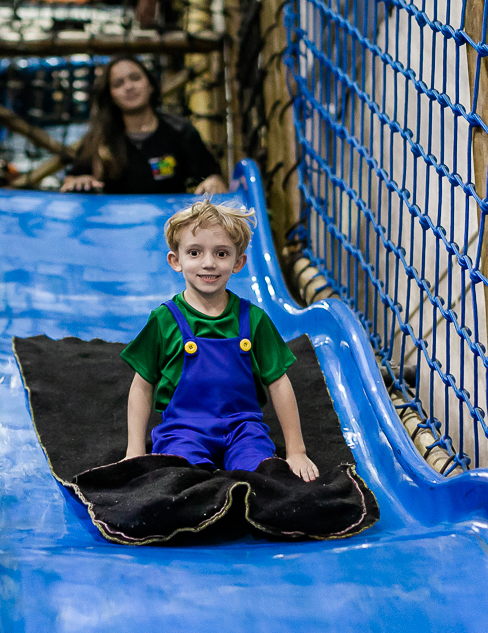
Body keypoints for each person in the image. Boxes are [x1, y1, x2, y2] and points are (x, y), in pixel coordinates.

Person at [121, 201, 320, 480]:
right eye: (194, 252)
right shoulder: (164, 320)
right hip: (184, 429)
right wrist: (134, 450)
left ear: (238, 262)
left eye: (222, 253)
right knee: (180, 477)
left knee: (265, 476)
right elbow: (142, 386)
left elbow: (279, 383)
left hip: (243, 428)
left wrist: (296, 451)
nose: (208, 263)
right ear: (175, 260)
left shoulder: (253, 319)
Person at [61, 56, 230, 195]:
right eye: (118, 84)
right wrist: (79, 182)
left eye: (135, 78)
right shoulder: (100, 138)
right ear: (111, 96)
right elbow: (71, 181)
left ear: (150, 85)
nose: (129, 87)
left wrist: (213, 181)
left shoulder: (180, 131)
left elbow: (212, 177)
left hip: (170, 225)